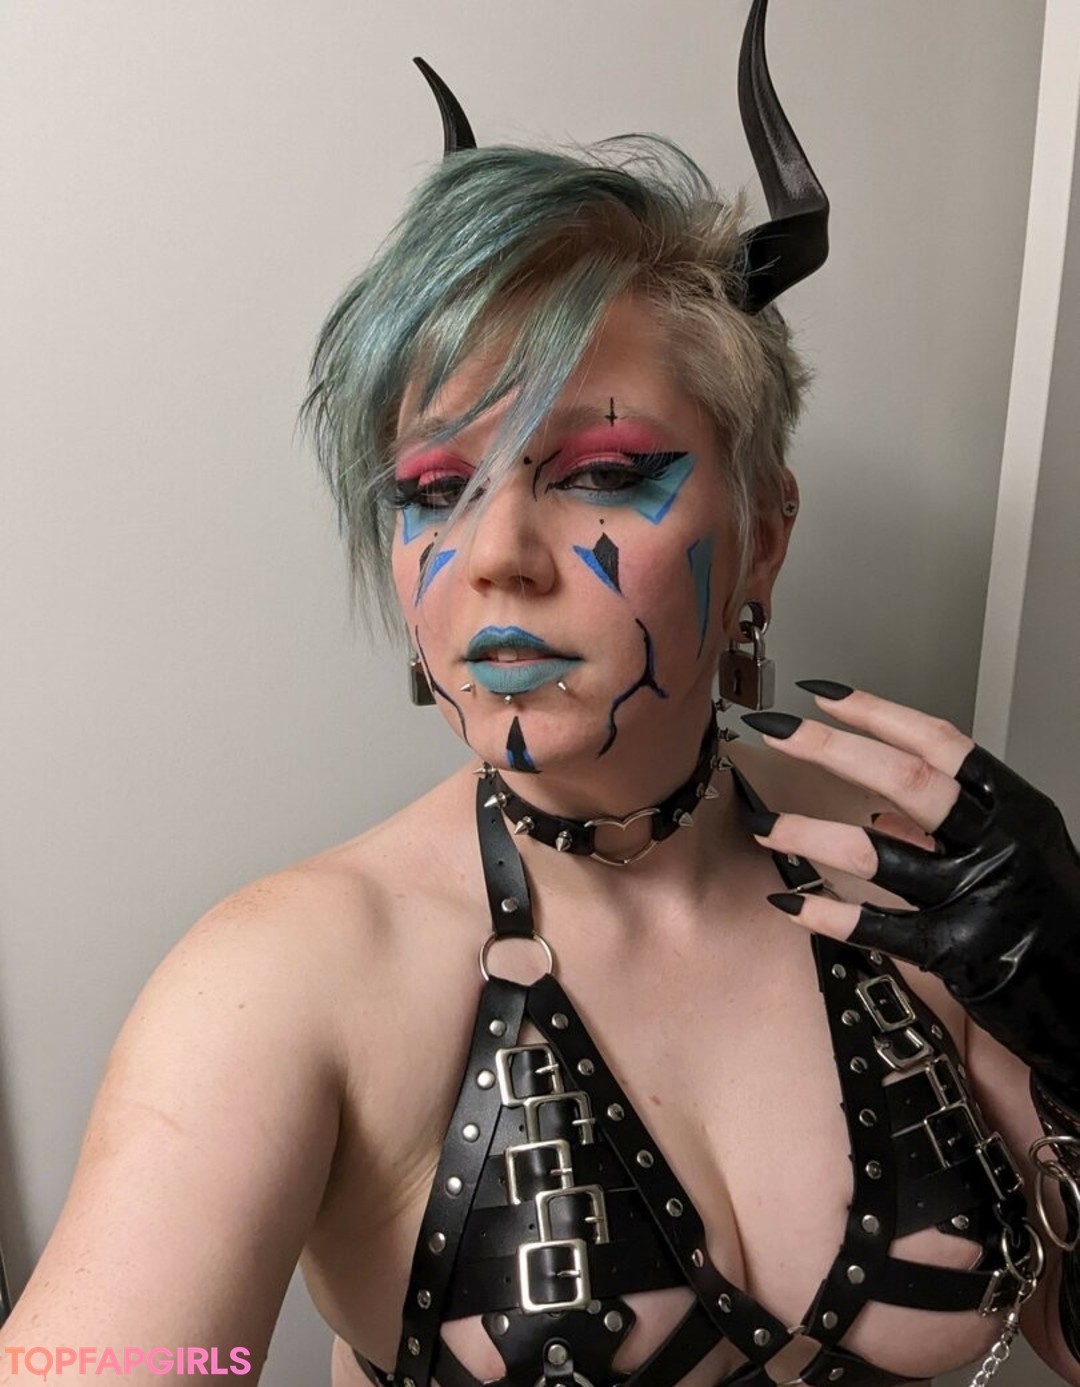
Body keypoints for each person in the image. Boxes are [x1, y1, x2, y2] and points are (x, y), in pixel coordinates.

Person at [4, 3, 1079, 1385]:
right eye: (435, 488)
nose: (497, 554)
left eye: (602, 472)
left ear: (762, 534)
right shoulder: (288, 984)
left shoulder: (921, 888)